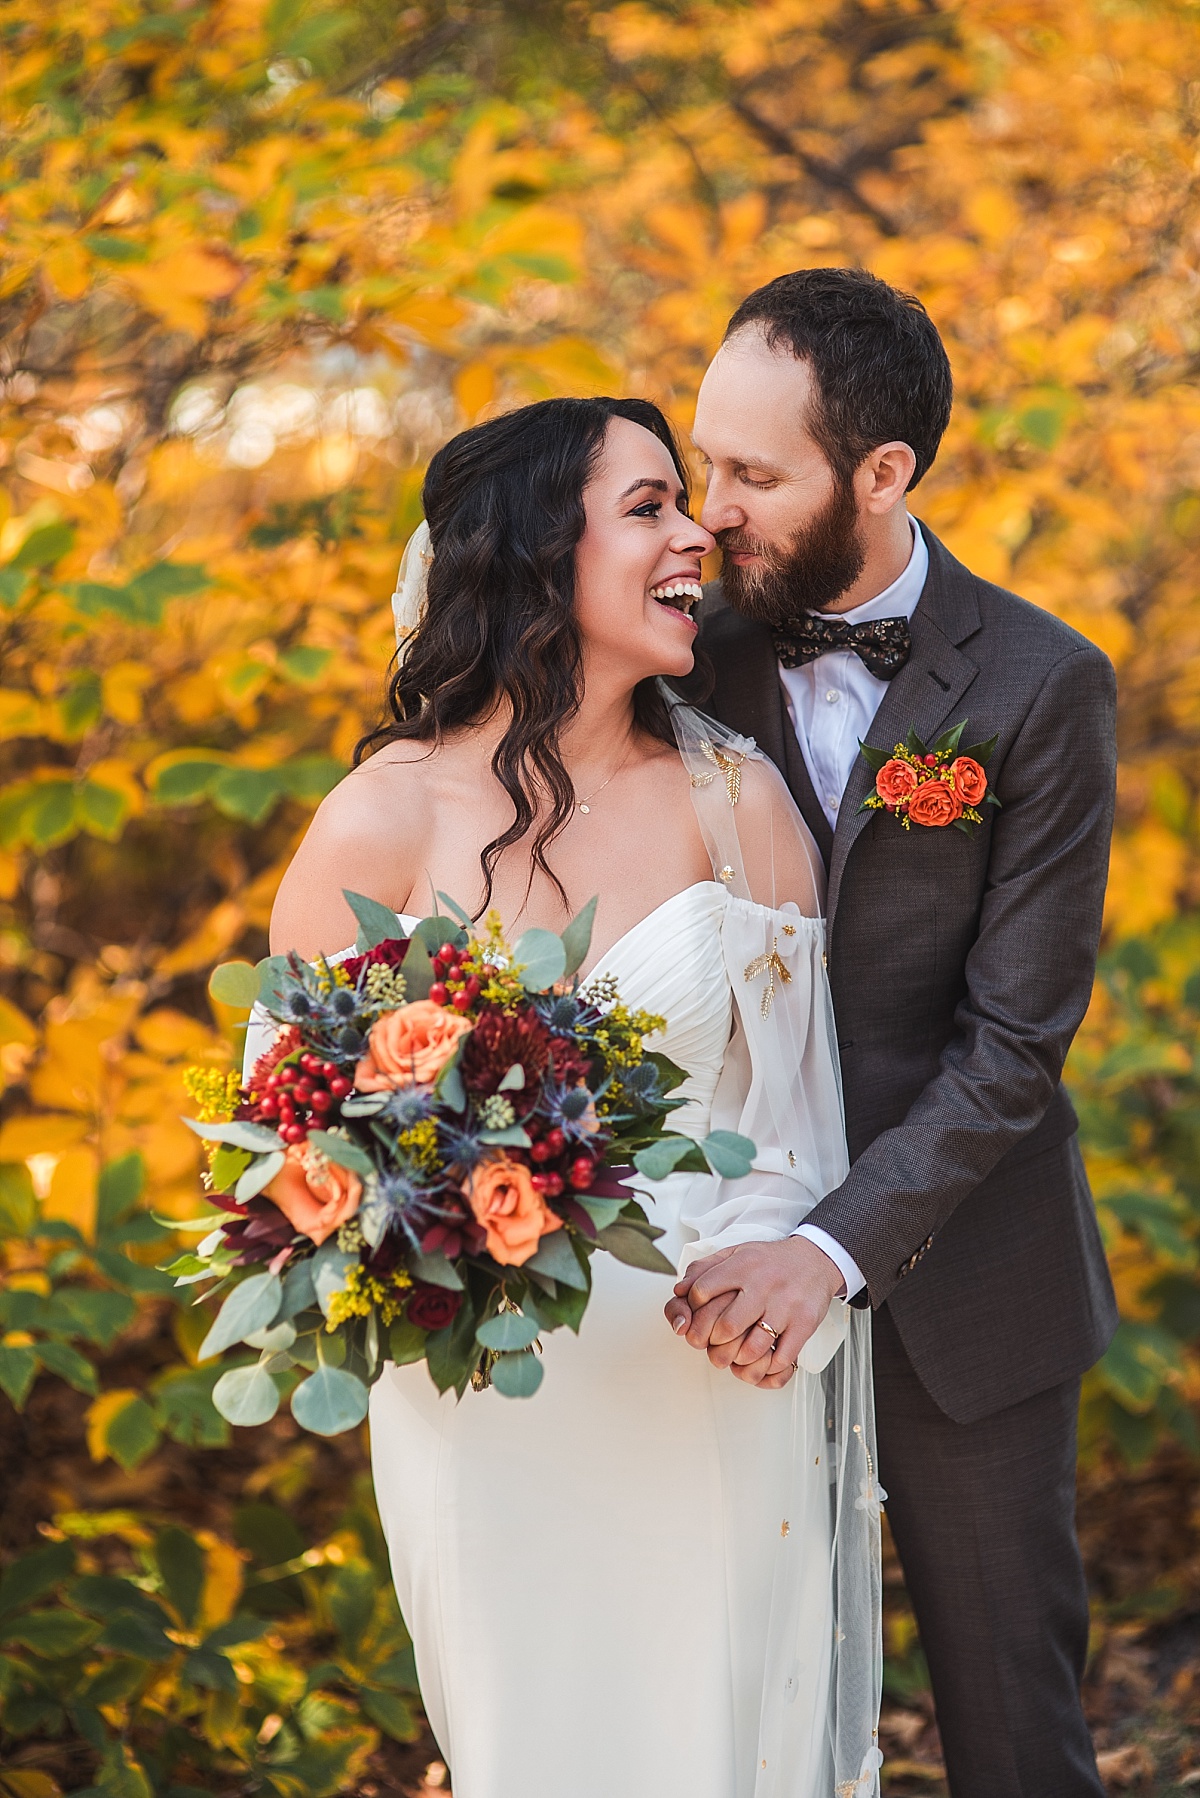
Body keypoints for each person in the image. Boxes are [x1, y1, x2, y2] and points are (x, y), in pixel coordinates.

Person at [269, 396, 884, 1798]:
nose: (698, 536)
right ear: (543, 548)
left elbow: (795, 1121)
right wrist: (398, 1230)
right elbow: (290, 1125)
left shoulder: (743, 807)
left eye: (690, 503)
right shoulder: (386, 811)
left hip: (703, 1367)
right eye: (651, 506)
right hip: (483, 1387)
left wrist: (768, 1272)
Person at [665, 268, 1118, 1798]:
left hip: (968, 1283)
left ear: (882, 473)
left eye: (753, 474)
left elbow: (1014, 1042)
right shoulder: (675, 651)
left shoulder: (1045, 685)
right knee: (743, 1716)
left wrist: (836, 1244)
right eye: (703, 458)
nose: (710, 508)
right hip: (703, 1277)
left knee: (1011, 1718)